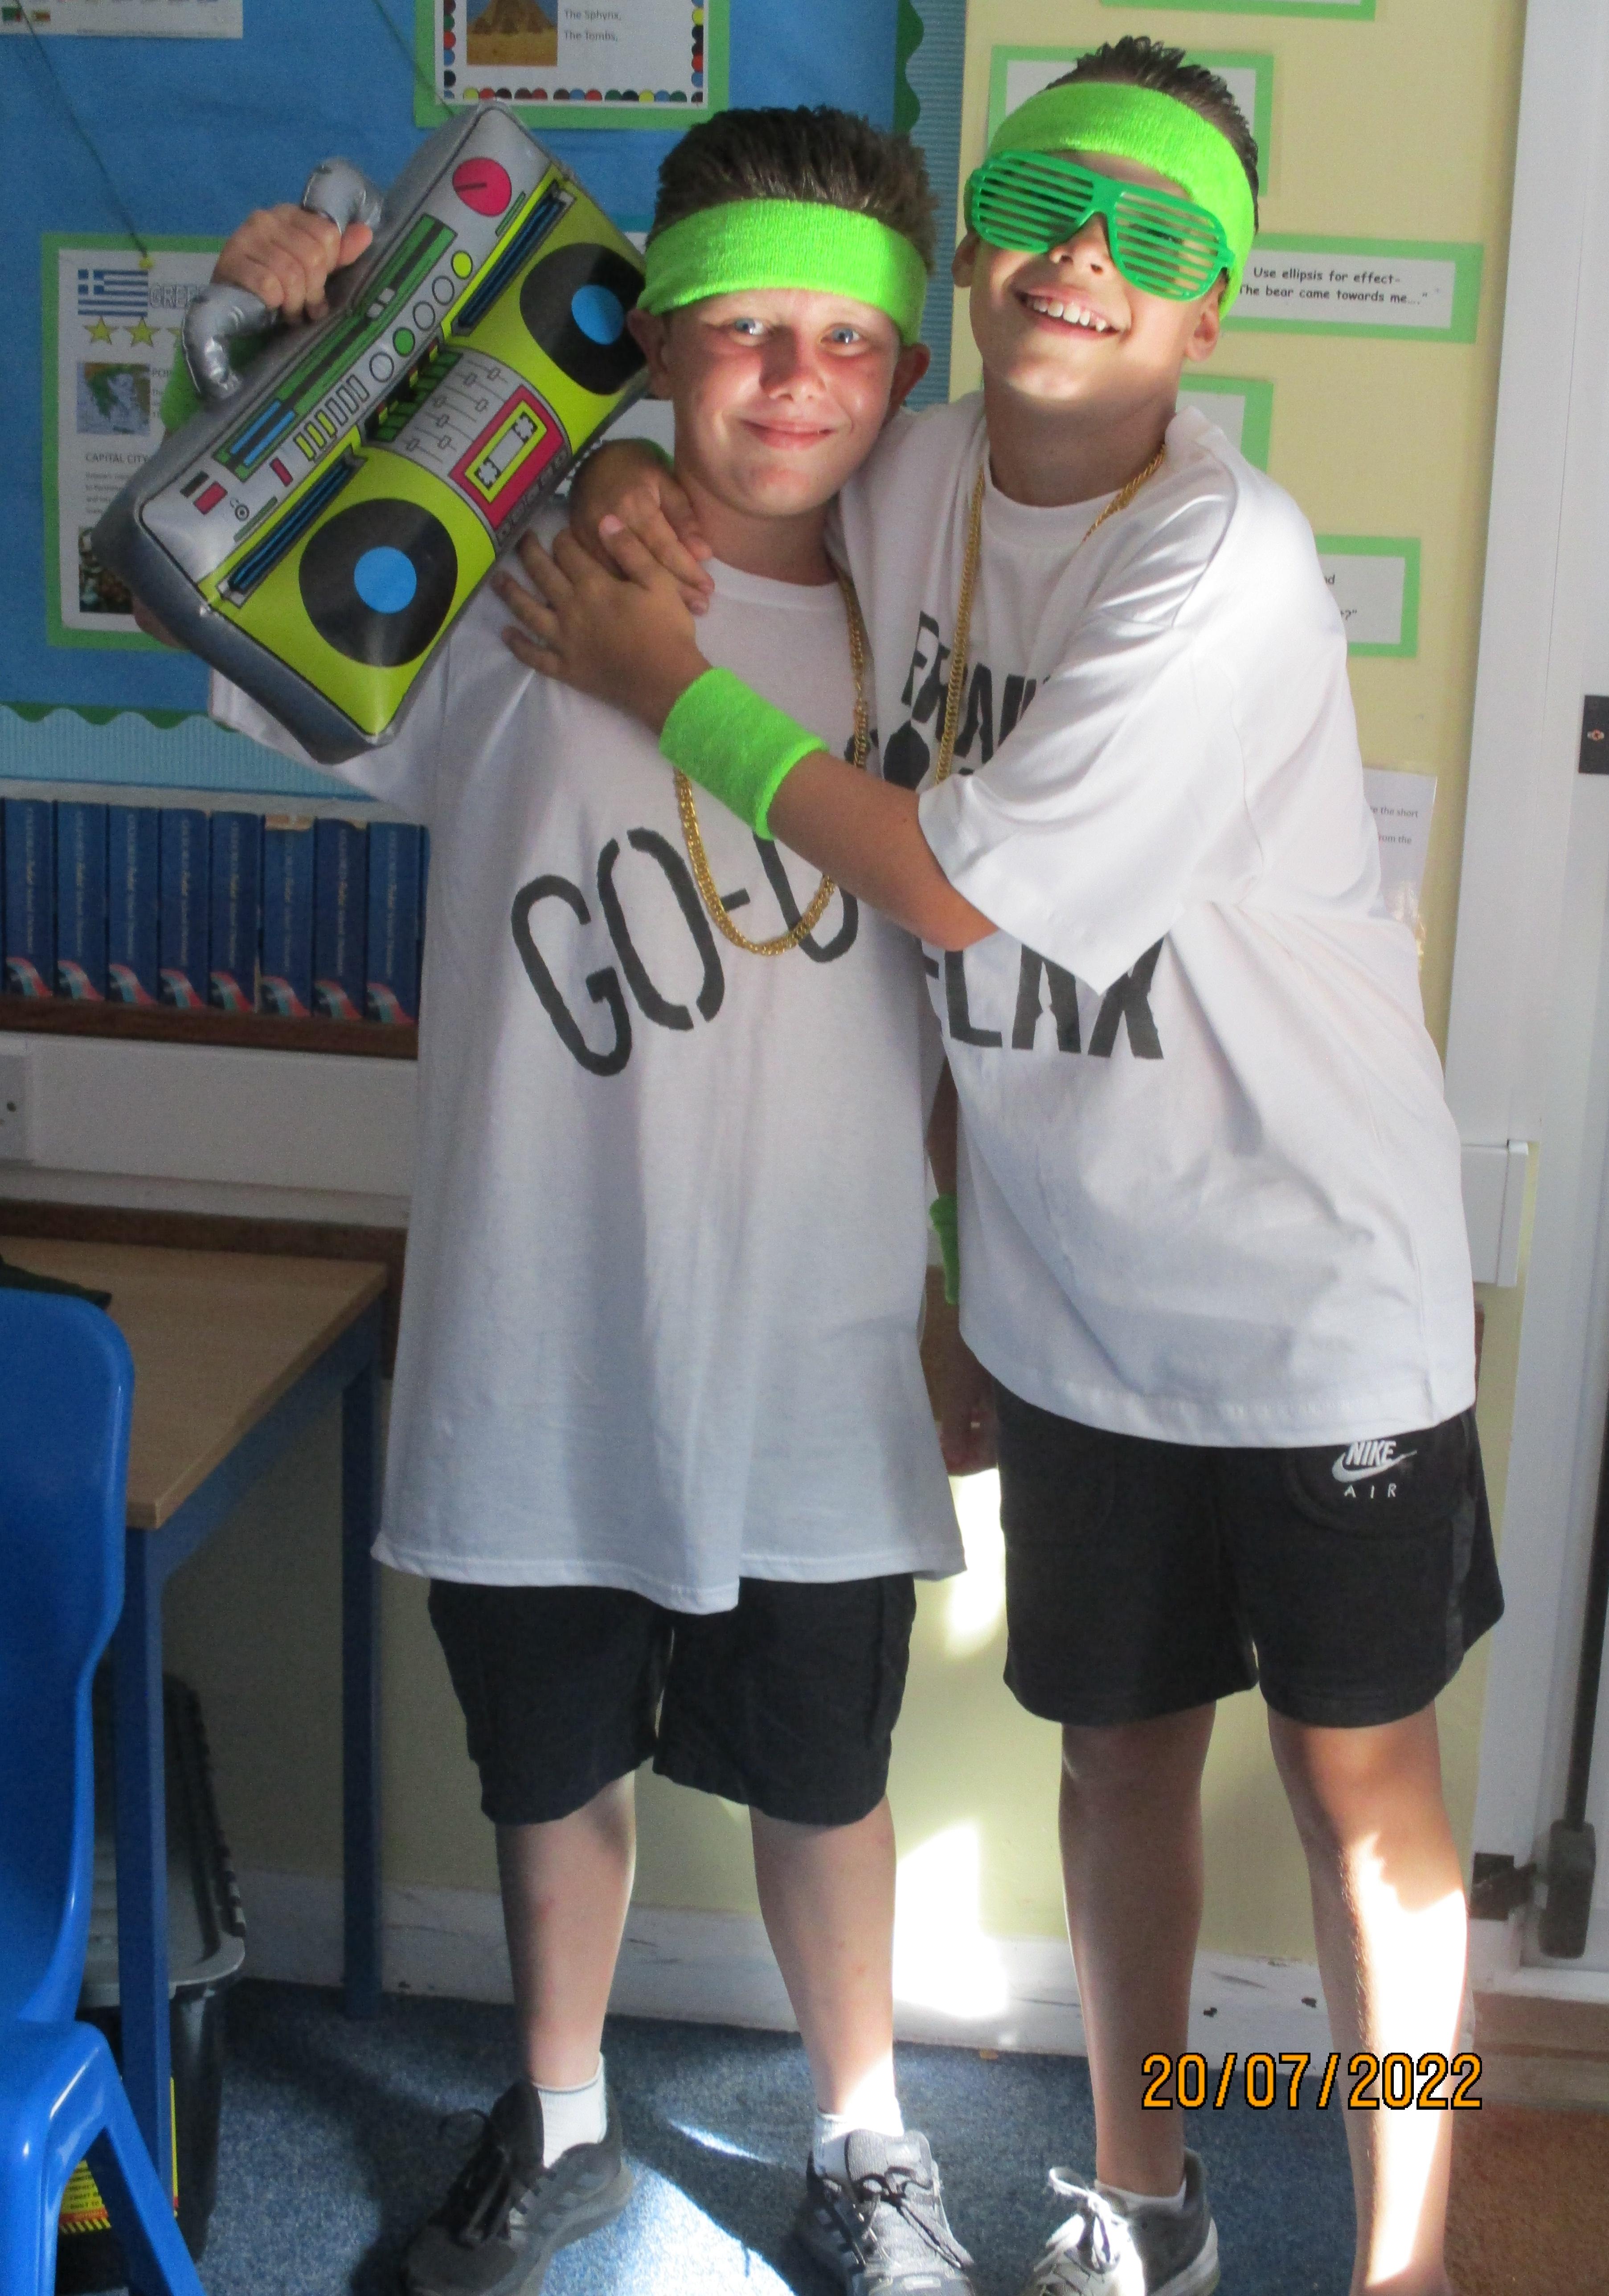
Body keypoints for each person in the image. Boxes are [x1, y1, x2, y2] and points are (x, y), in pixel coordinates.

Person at [503, 37, 1502, 2296]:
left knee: (1363, 1811)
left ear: (1213, 307)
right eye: (1051, 204)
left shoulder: (1224, 557)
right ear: (971, 245)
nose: (1087, 260)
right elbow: (727, 433)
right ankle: (1147, 2203)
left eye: (1158, 235)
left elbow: (949, 890)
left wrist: (667, 686)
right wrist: (619, 474)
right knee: (1116, 1764)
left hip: (1310, 1286)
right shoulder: (917, 470)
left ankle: (1406, 2260)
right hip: (1068, 1292)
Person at [183, 104, 986, 2296]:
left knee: (824, 1772)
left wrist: (968, 1299)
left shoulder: (935, 633)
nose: (794, 378)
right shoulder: (510, 576)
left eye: (846, 337)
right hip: (541, 1324)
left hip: (819, 1342)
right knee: (545, 1767)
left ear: (907, 370)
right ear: (657, 337)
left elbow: (981, 998)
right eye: (742, 329)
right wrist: (249, 349)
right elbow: (239, 612)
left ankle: (867, 2139)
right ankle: (554, 2115)